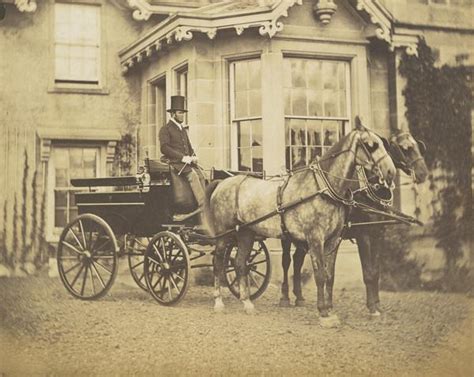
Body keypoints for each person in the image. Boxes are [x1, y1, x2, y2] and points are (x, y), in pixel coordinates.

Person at [159, 95, 206, 223]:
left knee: (202, 175)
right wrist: (183, 157)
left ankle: (205, 201)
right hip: (175, 163)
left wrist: (193, 156)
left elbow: (189, 146)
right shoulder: (165, 129)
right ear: (173, 114)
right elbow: (164, 148)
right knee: (193, 176)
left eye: (183, 113)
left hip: (186, 162)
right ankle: (203, 205)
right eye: (180, 113)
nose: (182, 116)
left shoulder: (183, 130)